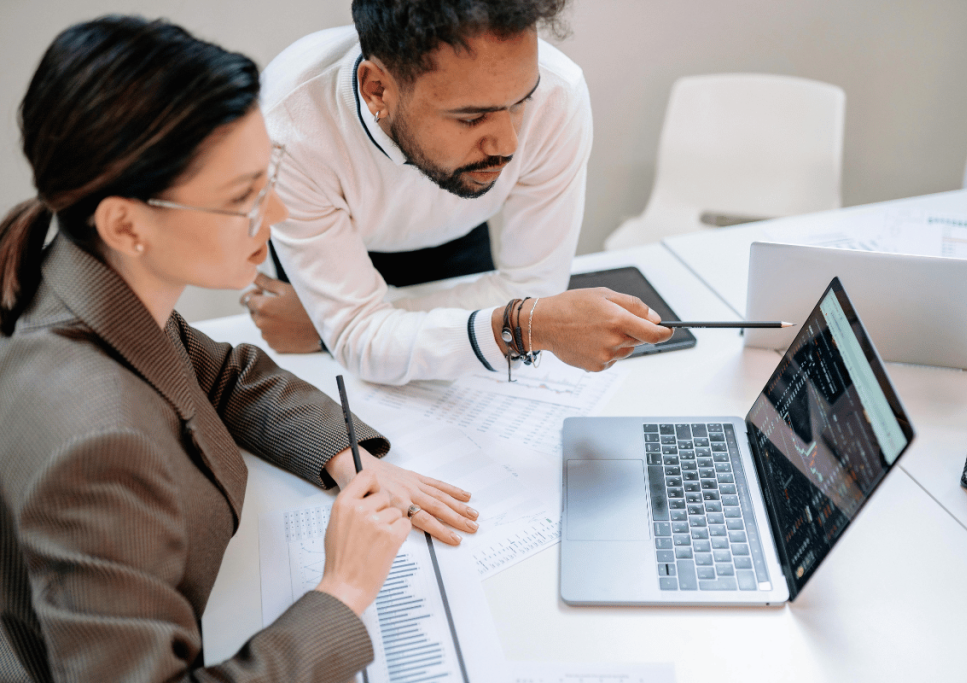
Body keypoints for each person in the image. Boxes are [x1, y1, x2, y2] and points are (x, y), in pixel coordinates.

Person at [0, 16, 477, 681]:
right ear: (126, 222)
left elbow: (222, 375)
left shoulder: (91, 279)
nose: (275, 214)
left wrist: (348, 456)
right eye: (242, 197)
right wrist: (341, 591)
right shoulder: (92, 441)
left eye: (267, 175)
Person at [245, 0, 673, 384]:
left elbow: (532, 289)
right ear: (376, 89)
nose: (507, 146)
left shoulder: (558, 97)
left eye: (521, 102)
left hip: (457, 228)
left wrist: (329, 329)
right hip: (344, 238)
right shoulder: (291, 128)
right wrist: (521, 324)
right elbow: (362, 342)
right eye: (471, 118)